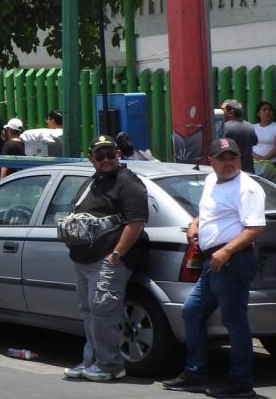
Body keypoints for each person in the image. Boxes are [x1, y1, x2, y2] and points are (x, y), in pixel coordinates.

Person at [163, 138, 266, 398]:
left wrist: (227, 250)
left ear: (240, 159)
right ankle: (196, 372)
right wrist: (194, 223)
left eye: (233, 157)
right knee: (193, 311)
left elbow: (255, 227)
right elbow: (211, 212)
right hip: (213, 261)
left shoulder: (248, 188)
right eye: (223, 158)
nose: (229, 162)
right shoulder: (211, 181)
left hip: (233, 259)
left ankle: (241, 384)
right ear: (211, 161)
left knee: (235, 322)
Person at [63, 136, 147, 383]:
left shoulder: (128, 182)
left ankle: (110, 365)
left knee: (103, 312)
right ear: (92, 159)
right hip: (83, 259)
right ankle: (92, 360)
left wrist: (116, 255)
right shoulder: (93, 182)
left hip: (108, 260)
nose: (106, 160)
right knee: (89, 311)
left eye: (110, 154)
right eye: (100, 156)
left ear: (118, 154)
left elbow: (136, 223)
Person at [221, 100, 257, 175]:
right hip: (248, 170)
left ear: (231, 113)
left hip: (231, 171)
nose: (221, 112)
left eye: (223, 110)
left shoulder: (224, 127)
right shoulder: (249, 126)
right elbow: (255, 142)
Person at [251, 101, 276, 180]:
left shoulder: (275, 127)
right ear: (258, 113)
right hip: (254, 163)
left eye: (270, 110)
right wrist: (257, 158)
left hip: (272, 164)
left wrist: (264, 158)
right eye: (264, 109)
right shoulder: (252, 127)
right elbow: (247, 146)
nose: (267, 112)